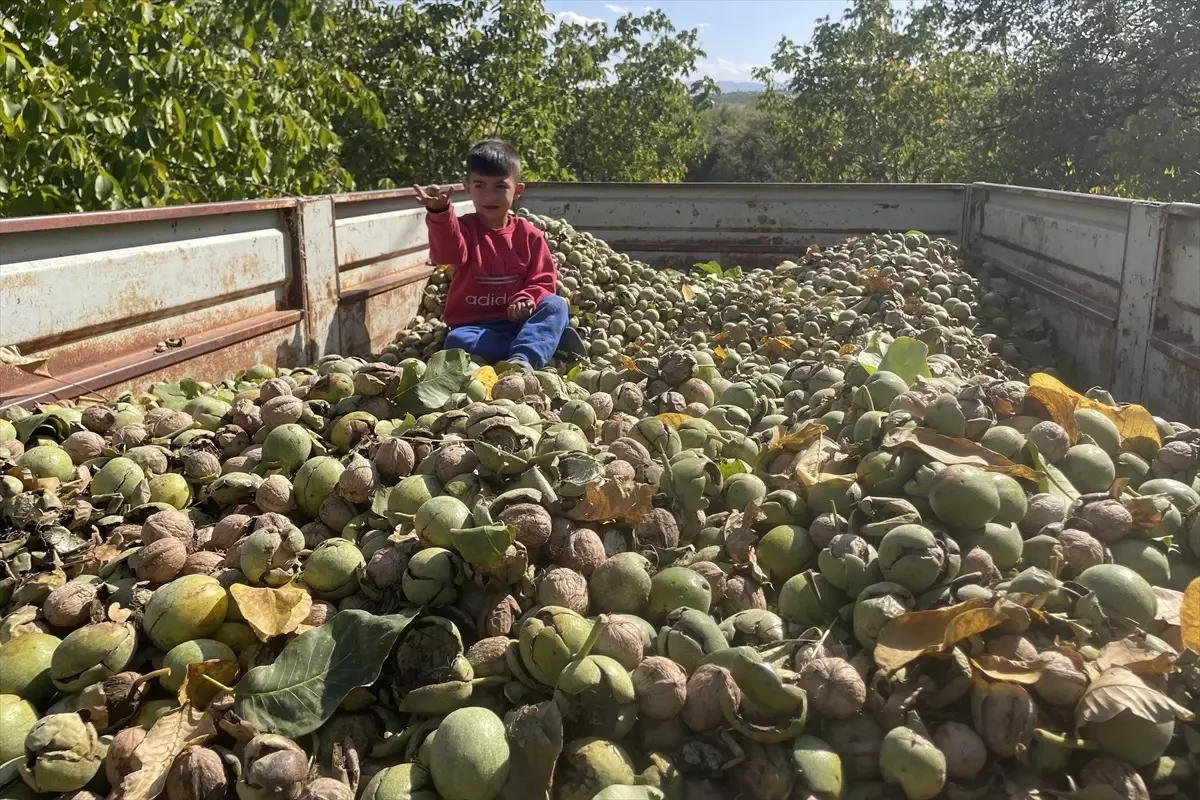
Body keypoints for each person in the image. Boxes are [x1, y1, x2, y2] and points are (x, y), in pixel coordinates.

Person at [414, 139, 577, 371]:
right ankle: (543, 343)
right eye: (480, 186)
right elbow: (445, 254)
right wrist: (440, 214)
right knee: (456, 342)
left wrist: (527, 298)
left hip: (520, 323)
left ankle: (523, 359)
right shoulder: (462, 229)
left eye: (500, 187)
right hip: (476, 329)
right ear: (468, 188)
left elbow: (543, 279)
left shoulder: (529, 235)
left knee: (556, 304)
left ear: (517, 190)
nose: (490, 196)